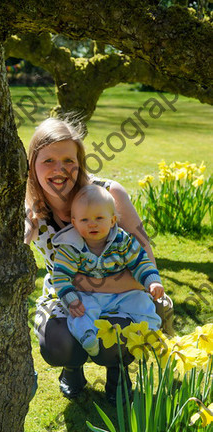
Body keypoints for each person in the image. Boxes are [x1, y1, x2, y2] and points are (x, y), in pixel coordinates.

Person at [25, 117, 173, 403]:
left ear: (80, 162)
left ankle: (117, 371)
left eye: (69, 160)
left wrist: (88, 283)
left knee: (118, 335)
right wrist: (26, 230)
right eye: (48, 161)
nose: (60, 170)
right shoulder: (30, 209)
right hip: (63, 295)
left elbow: (146, 265)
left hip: (121, 296)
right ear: (32, 164)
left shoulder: (108, 195)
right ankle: (72, 366)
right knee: (58, 343)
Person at [52, 184, 163, 358]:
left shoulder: (122, 241)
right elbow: (60, 276)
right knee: (80, 311)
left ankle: (151, 330)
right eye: (84, 220)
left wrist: (152, 281)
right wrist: (71, 299)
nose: (92, 224)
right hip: (87, 295)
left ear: (112, 220)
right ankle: (87, 336)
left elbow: (140, 262)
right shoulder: (71, 247)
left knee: (141, 301)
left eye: (99, 218)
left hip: (121, 294)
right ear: (74, 223)